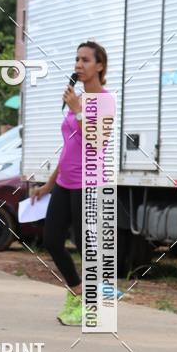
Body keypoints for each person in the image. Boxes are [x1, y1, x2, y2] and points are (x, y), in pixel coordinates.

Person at [31, 41, 112, 326]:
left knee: (85, 245)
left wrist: (78, 110)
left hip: (89, 183)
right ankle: (77, 291)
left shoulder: (104, 100)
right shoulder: (76, 98)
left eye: (86, 60)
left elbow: (97, 141)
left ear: (99, 66)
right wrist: (48, 185)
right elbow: (69, 147)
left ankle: (92, 305)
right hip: (65, 182)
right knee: (52, 240)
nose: (79, 64)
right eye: (77, 59)